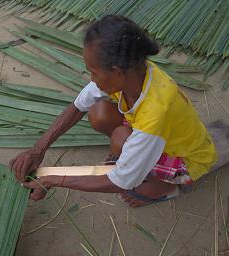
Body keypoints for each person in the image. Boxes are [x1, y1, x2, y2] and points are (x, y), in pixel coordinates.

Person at [11, 15, 219, 207]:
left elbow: (121, 181)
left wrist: (52, 180)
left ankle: (172, 186)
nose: (91, 79)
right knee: (99, 114)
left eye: (93, 72)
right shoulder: (133, 72)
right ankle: (136, 158)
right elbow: (78, 106)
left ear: (117, 72)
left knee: (134, 178)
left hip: (188, 160)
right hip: (158, 136)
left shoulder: (156, 111)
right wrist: (38, 149)